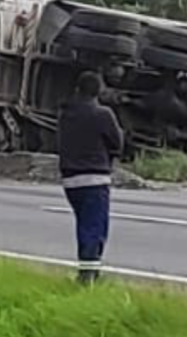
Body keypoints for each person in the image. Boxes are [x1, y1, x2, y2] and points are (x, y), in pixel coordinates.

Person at [57, 70, 125, 284]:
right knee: (95, 228)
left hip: (70, 180)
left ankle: (88, 270)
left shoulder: (65, 114)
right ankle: (88, 276)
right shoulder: (103, 114)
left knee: (84, 225)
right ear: (99, 91)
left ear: (78, 89)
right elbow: (117, 143)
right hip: (95, 178)